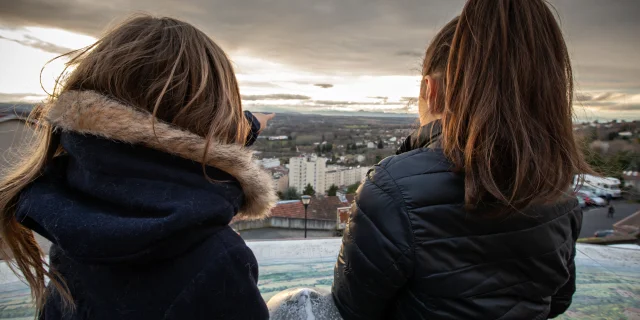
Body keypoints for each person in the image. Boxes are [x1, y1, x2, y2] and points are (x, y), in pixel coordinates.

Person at [0, 15, 277, 319]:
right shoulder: (217, 259)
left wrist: (250, 124)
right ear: (216, 116)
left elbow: (152, 144)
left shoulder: (70, 218)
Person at [332, 1, 589, 319]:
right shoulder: (558, 190)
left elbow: (349, 310)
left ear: (432, 90)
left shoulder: (391, 189)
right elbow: (559, 300)